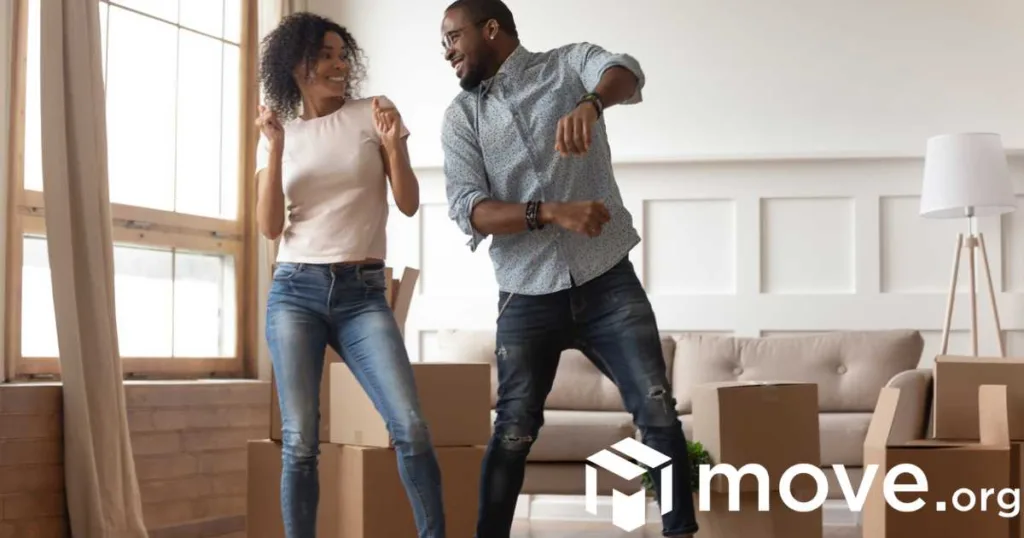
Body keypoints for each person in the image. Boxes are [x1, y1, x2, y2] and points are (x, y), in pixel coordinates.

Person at [438, 1, 698, 537]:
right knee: (512, 429)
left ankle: (681, 532)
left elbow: (623, 68)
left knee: (657, 413)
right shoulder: (462, 118)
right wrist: (551, 212)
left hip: (607, 280)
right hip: (524, 295)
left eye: (453, 37)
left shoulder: (567, 65)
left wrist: (590, 104)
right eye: (444, 44)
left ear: (491, 29)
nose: (449, 53)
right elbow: (470, 209)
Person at [255, 12, 446, 538]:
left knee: (409, 425)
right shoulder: (281, 134)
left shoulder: (374, 112)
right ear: (297, 65)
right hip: (295, 291)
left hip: (363, 293)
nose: (340, 65)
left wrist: (393, 146)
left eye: (343, 55)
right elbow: (269, 226)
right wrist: (273, 149)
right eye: (327, 55)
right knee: (300, 440)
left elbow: (407, 203)